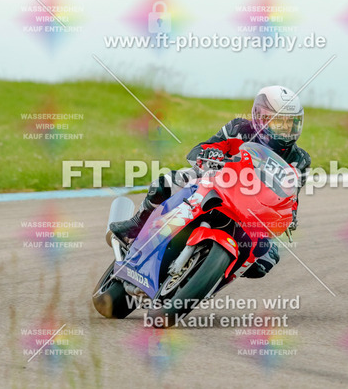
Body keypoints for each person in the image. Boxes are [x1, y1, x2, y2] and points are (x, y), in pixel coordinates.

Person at [110, 85, 311, 278]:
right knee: (168, 182)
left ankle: (213, 274)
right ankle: (136, 226)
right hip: (218, 183)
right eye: (279, 122)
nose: (286, 129)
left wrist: (290, 217)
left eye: (291, 123)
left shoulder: (300, 159)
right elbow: (200, 150)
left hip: (254, 210)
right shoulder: (238, 129)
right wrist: (211, 154)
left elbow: (291, 198)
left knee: (268, 257)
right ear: (261, 117)